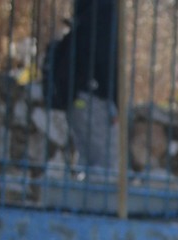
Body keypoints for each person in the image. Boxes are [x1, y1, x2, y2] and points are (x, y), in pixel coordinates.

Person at [66, 0, 120, 173]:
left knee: (87, 159)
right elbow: (106, 60)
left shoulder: (86, 10)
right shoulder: (105, 10)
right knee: (106, 164)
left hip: (77, 93)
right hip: (96, 97)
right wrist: (116, 101)